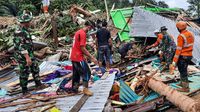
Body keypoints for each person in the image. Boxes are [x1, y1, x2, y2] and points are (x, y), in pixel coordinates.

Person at [13, 11, 44, 95]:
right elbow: (22, 46)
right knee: (24, 72)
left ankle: (38, 84)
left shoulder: (24, 31)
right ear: (25, 22)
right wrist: (27, 58)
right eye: (29, 21)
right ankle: (24, 90)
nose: (30, 23)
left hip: (29, 54)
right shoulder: (21, 32)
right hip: (23, 56)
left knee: (35, 67)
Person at [70, 21, 98, 96]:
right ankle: (85, 89)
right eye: (91, 28)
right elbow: (82, 48)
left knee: (76, 73)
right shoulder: (83, 34)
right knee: (87, 72)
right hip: (78, 57)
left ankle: (74, 89)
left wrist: (84, 56)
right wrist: (92, 57)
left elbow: (78, 46)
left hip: (73, 56)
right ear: (89, 27)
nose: (90, 29)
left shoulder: (78, 32)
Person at [170, 21, 194, 92]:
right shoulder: (190, 34)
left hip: (183, 56)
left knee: (183, 71)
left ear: (179, 28)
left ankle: (185, 88)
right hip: (189, 55)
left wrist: (174, 61)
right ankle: (182, 83)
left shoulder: (181, 36)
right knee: (183, 70)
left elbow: (178, 50)